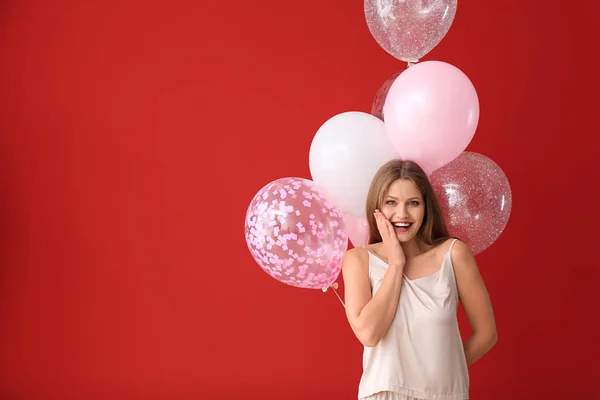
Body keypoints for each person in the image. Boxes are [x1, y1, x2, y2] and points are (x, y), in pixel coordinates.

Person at [341, 159, 497, 400]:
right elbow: (369, 334)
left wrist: (441, 374)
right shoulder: (358, 260)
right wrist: (396, 264)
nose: (402, 214)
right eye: (391, 202)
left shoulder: (453, 254)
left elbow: (487, 334)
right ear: (377, 208)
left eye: (413, 203)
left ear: (426, 208)